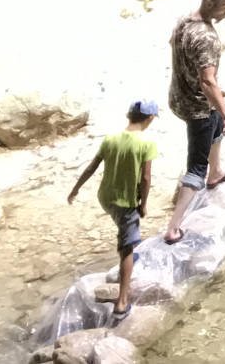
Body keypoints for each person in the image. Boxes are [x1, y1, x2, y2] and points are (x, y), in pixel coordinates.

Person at [67, 97, 159, 320]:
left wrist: (75, 189)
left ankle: (126, 248)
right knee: (127, 247)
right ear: (149, 119)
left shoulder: (110, 139)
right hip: (126, 202)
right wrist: (143, 204)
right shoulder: (146, 144)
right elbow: (146, 178)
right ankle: (122, 301)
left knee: (125, 231)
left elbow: (92, 167)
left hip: (106, 198)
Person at [163, 0, 225, 245]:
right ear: (210, 4)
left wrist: (217, 97)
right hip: (197, 107)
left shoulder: (184, 21)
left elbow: (175, 45)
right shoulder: (205, 37)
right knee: (196, 167)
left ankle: (216, 172)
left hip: (179, 95)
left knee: (215, 120)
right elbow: (207, 81)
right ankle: (173, 228)